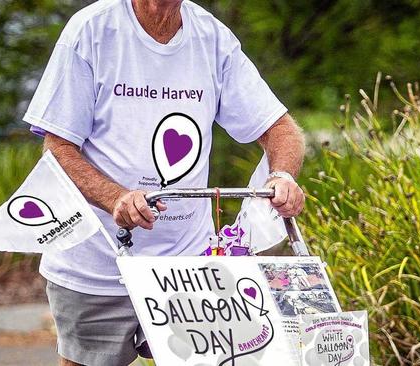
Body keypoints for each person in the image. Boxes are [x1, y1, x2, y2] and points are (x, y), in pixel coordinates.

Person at [23, 0, 305, 365]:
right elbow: (57, 146)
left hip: (187, 268)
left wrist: (281, 176)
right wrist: (115, 198)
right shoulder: (91, 30)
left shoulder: (213, 38)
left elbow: (281, 129)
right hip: (94, 263)